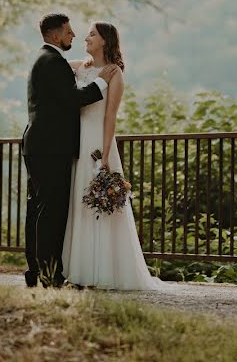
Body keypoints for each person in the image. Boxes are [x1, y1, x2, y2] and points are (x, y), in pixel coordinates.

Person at [62, 21, 164, 290]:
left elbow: (110, 117)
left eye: (92, 34)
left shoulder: (114, 73)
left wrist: (105, 156)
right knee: (77, 202)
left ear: (105, 40)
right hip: (76, 142)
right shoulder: (76, 67)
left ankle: (104, 271)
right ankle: (77, 270)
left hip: (98, 144)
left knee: (99, 204)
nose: (86, 37)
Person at [21, 13, 118, 287]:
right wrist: (102, 81)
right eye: (68, 32)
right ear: (55, 36)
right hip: (50, 149)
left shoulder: (46, 59)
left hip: (39, 146)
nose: (73, 36)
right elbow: (74, 99)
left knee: (38, 211)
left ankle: (36, 272)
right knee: (51, 213)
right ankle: (51, 276)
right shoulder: (52, 62)